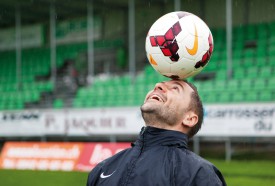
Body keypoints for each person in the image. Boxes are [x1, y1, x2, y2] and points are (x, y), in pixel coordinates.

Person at [87, 79, 226, 186]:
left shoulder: (200, 175)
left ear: (189, 118)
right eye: (159, 85)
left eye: (175, 88)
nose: (158, 85)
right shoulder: (102, 169)